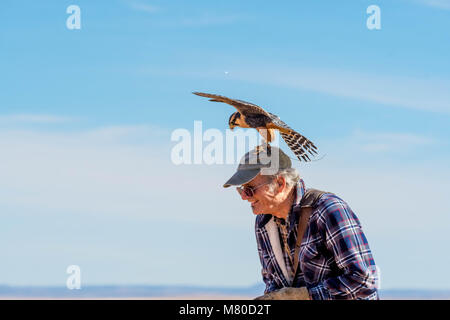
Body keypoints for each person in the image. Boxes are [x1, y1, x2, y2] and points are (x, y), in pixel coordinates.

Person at [223, 146, 379, 300]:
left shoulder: (328, 210)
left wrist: (304, 296)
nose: (244, 196)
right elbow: (273, 283)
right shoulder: (263, 223)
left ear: (280, 184)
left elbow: (364, 282)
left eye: (250, 189)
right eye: (241, 189)